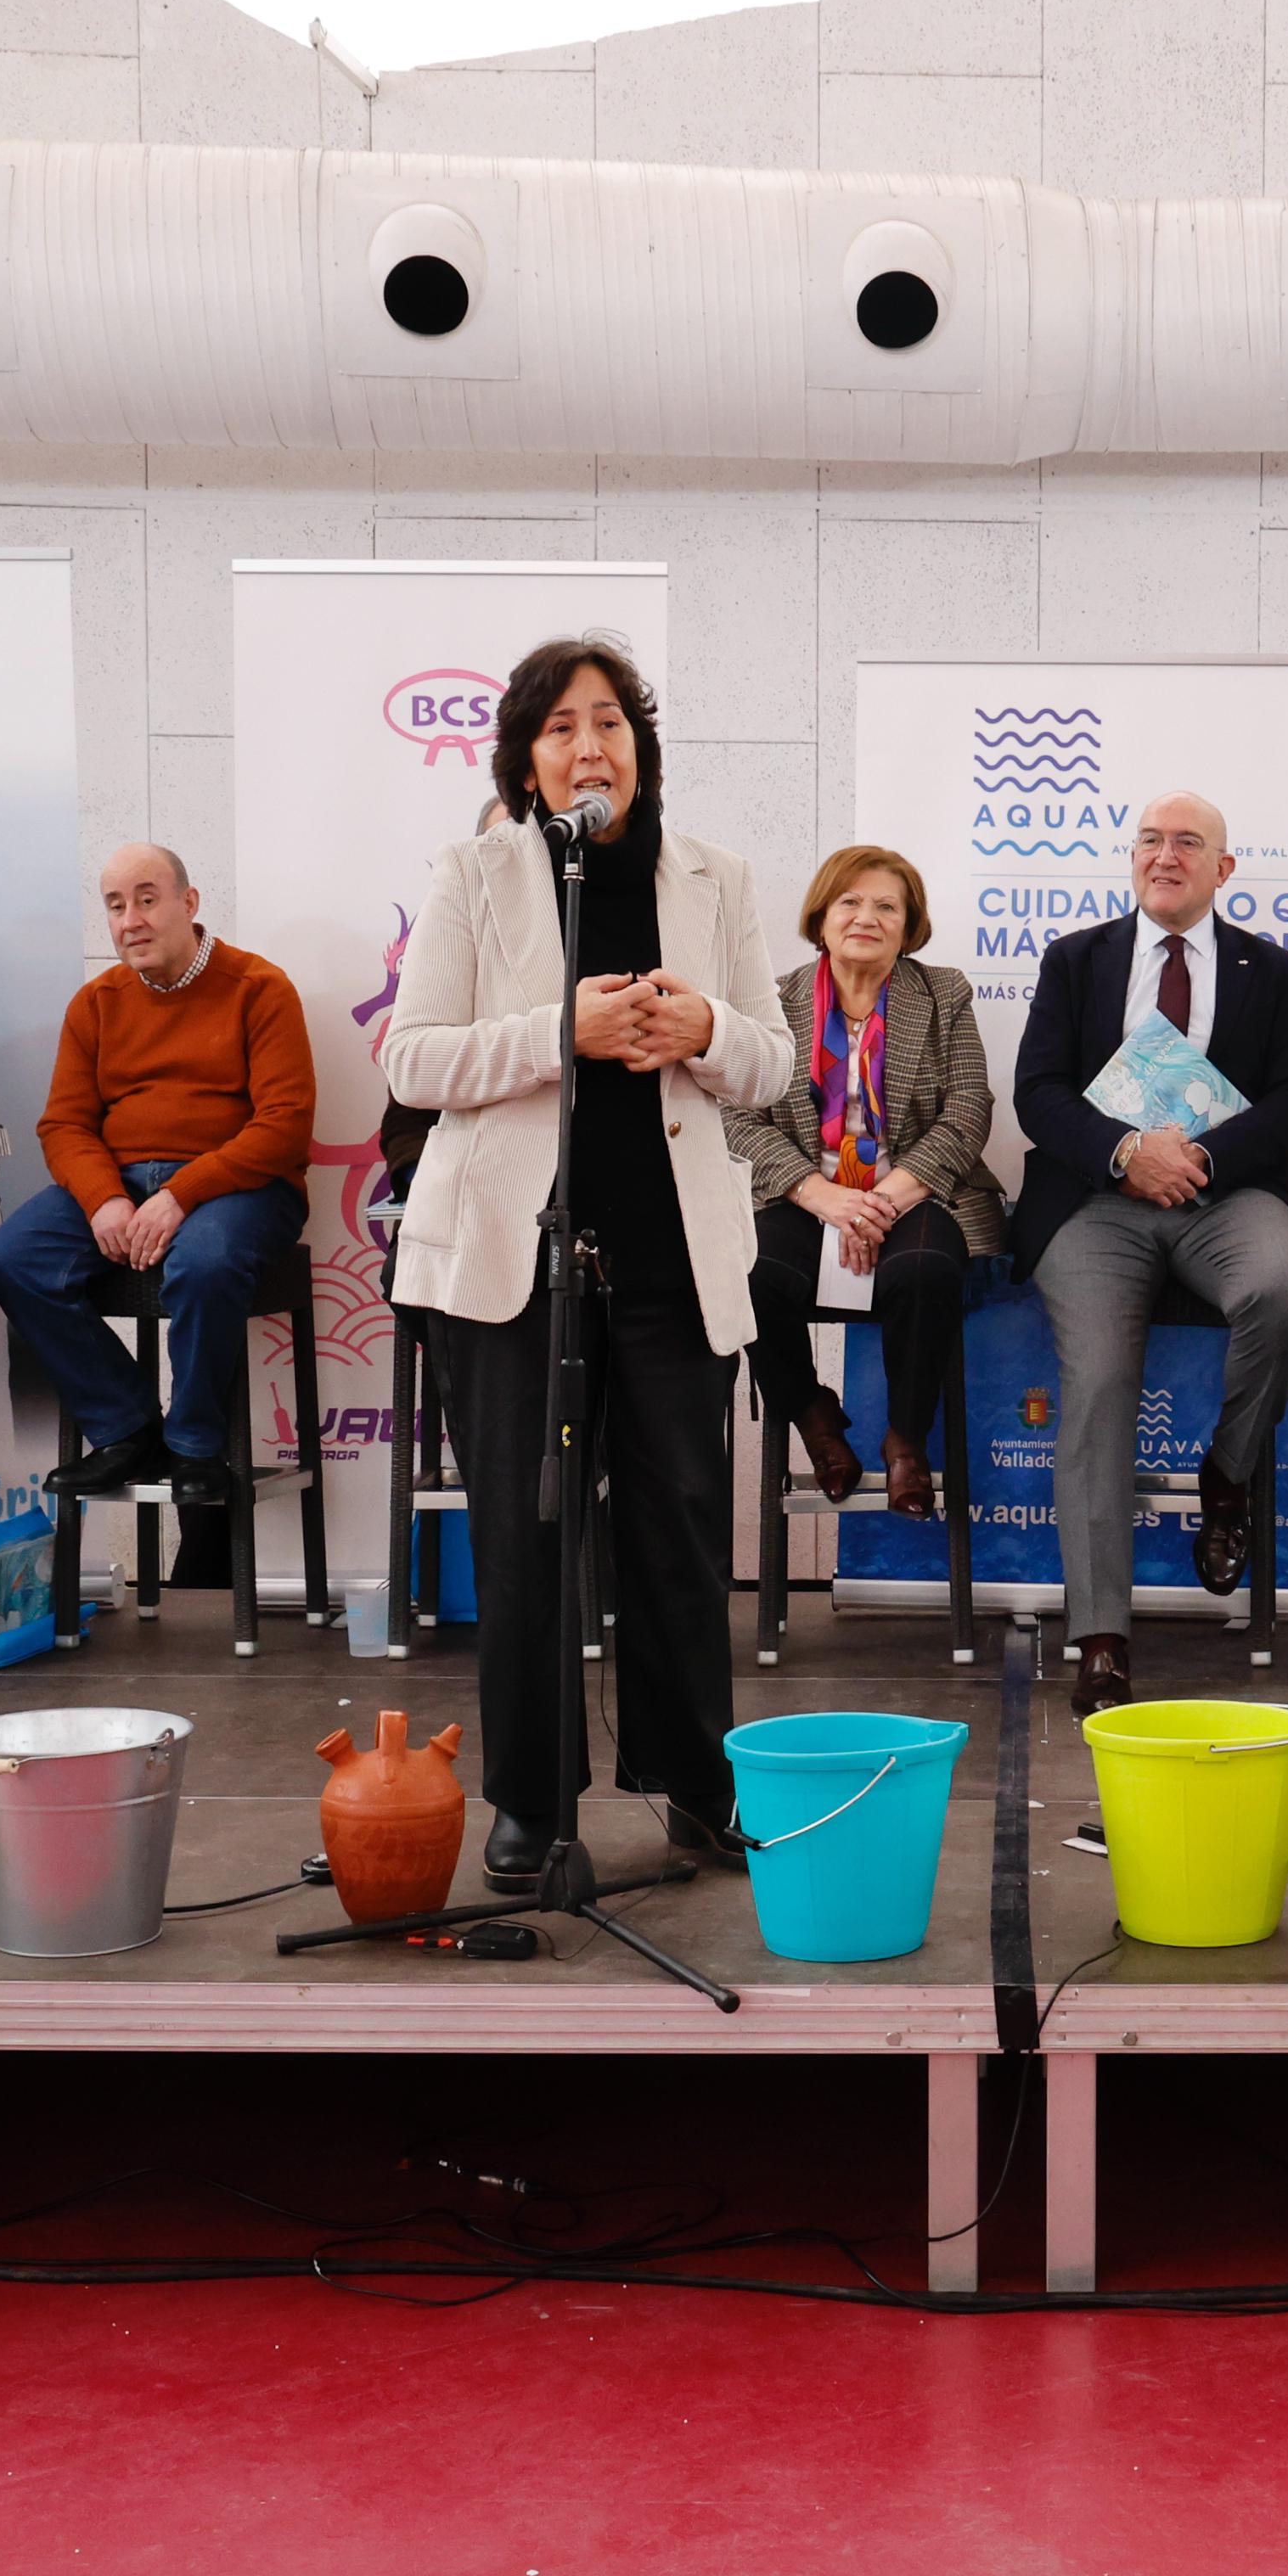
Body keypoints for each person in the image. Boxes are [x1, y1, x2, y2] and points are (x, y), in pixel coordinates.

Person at [384, 637, 789, 1882]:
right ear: (525, 764)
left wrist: (706, 1027)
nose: (588, 745)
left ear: (640, 751)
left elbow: (775, 1063)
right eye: (559, 727)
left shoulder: (716, 878)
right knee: (524, 1538)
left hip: (671, 1256)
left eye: (609, 722)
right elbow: (413, 1060)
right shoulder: (473, 873)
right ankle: (529, 1797)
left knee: (678, 1526)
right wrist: (557, 1031)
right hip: (513, 1265)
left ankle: (696, 1783)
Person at [1014, 792, 1288, 1714]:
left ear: (1222, 869)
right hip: (1096, 1203)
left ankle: (1227, 1472)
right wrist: (1124, 1153)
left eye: (1188, 842)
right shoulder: (1075, 960)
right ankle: (1101, 1640)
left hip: (1223, 1195)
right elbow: (1037, 1092)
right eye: (1149, 839)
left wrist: (1200, 1157)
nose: (1165, 855)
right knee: (1101, 1381)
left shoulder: (1271, 969)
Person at [0, 845, 317, 1513]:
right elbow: (64, 1125)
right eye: (115, 905)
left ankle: (195, 1444)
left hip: (241, 1185)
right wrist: (104, 1199)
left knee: (206, 1262)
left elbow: (284, 1125)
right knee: (12, 1260)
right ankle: (127, 1428)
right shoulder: (96, 1002)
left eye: (146, 899)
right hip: (123, 1178)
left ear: (188, 904)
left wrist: (180, 1195)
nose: (130, 920)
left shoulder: (259, 987)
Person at [728, 845, 1003, 1521]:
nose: (866, 917)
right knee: (748, 1274)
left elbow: (969, 1108)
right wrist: (822, 1196)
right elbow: (735, 1119)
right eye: (849, 902)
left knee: (927, 1272)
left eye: (887, 906)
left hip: (914, 1190)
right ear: (821, 918)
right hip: (804, 1193)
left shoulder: (944, 994)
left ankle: (906, 1439)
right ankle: (814, 1418)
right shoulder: (772, 1003)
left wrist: (876, 1203)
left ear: (909, 927)